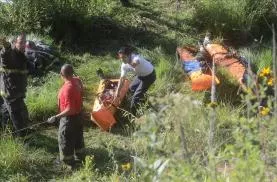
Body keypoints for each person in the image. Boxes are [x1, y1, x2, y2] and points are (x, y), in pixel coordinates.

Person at [47, 64, 84, 167]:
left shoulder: (68, 88)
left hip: (69, 119)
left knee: (64, 138)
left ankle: (68, 161)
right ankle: (80, 155)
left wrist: (56, 117)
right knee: (77, 136)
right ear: (72, 73)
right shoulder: (76, 81)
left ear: (61, 74)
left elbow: (70, 109)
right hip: (79, 116)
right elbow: (80, 82)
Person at [0, 34, 30, 136]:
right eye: (20, 42)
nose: (23, 45)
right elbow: (5, 54)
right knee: (19, 118)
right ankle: (23, 140)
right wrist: (6, 46)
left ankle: (7, 134)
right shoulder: (10, 54)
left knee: (6, 114)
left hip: (16, 93)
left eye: (24, 42)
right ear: (14, 43)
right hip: (11, 94)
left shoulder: (20, 55)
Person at [115, 46, 156, 116]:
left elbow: (136, 62)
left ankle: (134, 115)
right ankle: (143, 100)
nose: (122, 60)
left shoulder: (136, 58)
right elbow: (122, 79)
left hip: (150, 76)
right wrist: (117, 92)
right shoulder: (124, 65)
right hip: (140, 75)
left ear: (129, 55)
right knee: (131, 88)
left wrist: (132, 64)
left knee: (135, 98)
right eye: (121, 58)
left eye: (124, 57)